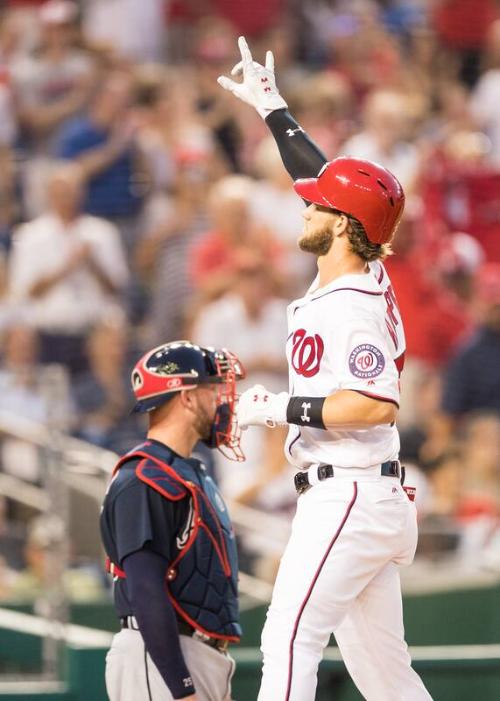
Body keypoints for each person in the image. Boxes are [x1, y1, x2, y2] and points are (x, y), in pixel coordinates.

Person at [218, 37, 433, 701]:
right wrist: (274, 110)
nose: (303, 205)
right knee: (382, 672)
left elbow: (375, 403)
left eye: (317, 205)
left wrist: (273, 406)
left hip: (351, 488)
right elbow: (328, 178)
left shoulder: (350, 304)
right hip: (360, 489)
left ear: (342, 226)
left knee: (288, 634)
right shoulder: (363, 264)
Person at [100, 340, 245, 701]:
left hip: (197, 655)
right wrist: (182, 688)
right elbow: (145, 589)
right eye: (212, 389)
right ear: (186, 397)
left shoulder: (190, 470)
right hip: (159, 659)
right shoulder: (143, 478)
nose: (221, 401)